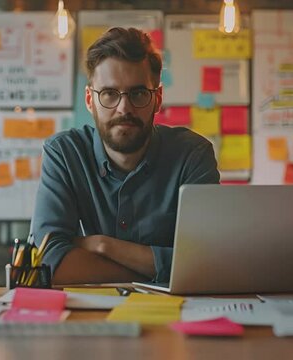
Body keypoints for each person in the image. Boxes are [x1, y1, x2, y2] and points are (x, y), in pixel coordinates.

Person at [32, 27, 220, 285]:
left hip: (174, 317)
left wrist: (103, 246)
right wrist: (155, 276)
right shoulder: (64, 154)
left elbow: (208, 262)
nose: (124, 108)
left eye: (138, 93)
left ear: (157, 98)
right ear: (90, 100)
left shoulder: (193, 155)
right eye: (109, 93)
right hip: (92, 319)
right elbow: (48, 261)